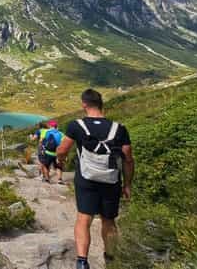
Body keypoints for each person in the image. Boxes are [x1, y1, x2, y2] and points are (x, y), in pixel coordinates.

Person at [57, 89, 135, 269]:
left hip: (86, 179)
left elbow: (62, 149)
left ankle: (82, 262)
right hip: (111, 180)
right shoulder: (119, 128)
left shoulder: (76, 126)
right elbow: (128, 158)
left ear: (84, 104)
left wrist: (61, 160)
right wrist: (127, 184)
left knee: (84, 219)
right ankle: (111, 260)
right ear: (101, 104)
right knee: (109, 220)